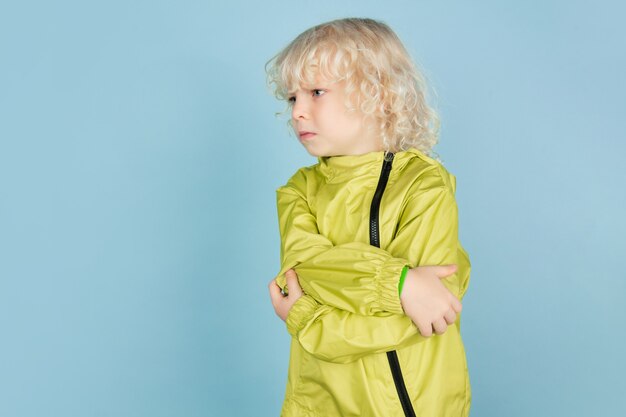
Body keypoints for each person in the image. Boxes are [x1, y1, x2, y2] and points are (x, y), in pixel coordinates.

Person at [265, 17, 471, 417]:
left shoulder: (424, 186)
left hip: (418, 405)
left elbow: (425, 317)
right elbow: (306, 271)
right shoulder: (298, 192)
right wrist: (398, 284)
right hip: (319, 403)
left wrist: (308, 319)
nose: (298, 112)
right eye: (292, 98)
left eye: (316, 92)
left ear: (377, 94)